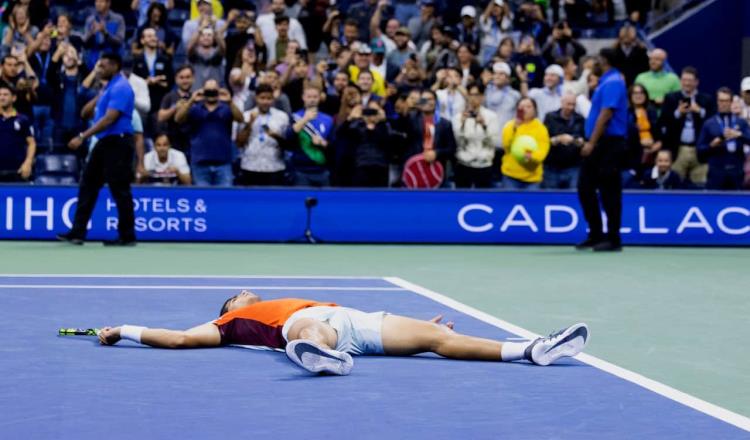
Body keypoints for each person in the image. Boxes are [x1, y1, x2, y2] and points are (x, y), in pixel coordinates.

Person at [96, 290, 591, 376]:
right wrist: (126, 330)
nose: (246, 291)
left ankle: (532, 349)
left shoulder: (280, 299)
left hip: (358, 321)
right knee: (308, 329)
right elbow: (180, 339)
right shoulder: (229, 324)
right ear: (228, 310)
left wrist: (421, 325)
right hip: (308, 329)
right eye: (237, 293)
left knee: (437, 340)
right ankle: (312, 353)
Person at [57, 52, 136, 246]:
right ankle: (77, 232)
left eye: (103, 66)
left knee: (120, 189)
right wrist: (99, 96)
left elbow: (110, 119)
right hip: (105, 143)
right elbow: (85, 113)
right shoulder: (109, 87)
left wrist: (83, 136)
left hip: (119, 142)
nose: (99, 70)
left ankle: (127, 235)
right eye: (99, 66)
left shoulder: (122, 87)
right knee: (88, 185)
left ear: (115, 66)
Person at [576, 48, 629, 252]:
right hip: (601, 143)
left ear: (605, 61)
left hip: (609, 144)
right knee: (585, 187)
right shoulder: (607, 81)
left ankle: (613, 238)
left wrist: (591, 142)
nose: (594, 62)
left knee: (610, 191)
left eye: (597, 59)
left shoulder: (614, 82)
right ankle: (596, 234)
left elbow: (606, 114)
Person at [174, 78, 244, 186]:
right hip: (200, 162)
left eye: (214, 90)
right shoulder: (195, 108)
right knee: (202, 198)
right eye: (208, 90)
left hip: (223, 162)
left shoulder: (226, 108)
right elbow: (178, 119)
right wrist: (191, 100)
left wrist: (230, 101)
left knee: (223, 198)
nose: (211, 93)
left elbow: (240, 119)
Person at [658, 67, 714, 188]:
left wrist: (700, 111)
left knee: (700, 186)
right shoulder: (671, 98)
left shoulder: (706, 99)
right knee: (675, 185)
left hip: (699, 151)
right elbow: (663, 122)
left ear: (696, 82)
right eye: (684, 80)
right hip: (678, 150)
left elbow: (713, 122)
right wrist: (678, 112)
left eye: (690, 80)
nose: (687, 83)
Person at [235, 83, 289, 186]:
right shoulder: (246, 116)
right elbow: (239, 143)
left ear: (273, 99)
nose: (265, 102)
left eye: (269, 98)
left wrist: (276, 136)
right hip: (250, 166)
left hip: (274, 167)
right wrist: (250, 124)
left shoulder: (282, 117)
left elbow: (288, 145)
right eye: (262, 98)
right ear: (256, 98)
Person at [697, 87, 750, 191]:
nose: (724, 104)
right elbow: (700, 150)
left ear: (731, 102)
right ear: (717, 102)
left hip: (736, 172)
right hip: (716, 172)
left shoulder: (741, 122)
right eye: (721, 101)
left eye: (726, 101)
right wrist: (712, 145)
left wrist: (739, 135)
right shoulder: (709, 123)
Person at [452, 82, 500, 188]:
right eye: (471, 95)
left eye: (477, 95)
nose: (473, 98)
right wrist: (462, 124)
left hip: (484, 165)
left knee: (484, 200)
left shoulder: (491, 116)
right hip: (464, 165)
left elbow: (493, 142)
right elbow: (457, 143)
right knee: (462, 200)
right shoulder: (458, 117)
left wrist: (483, 126)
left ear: (483, 97)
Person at [500, 97, 550, 190]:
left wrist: (529, 155)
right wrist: (515, 128)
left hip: (532, 179)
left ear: (535, 110)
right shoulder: (510, 126)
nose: (524, 109)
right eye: (522, 106)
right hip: (511, 176)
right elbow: (506, 146)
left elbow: (542, 152)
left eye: (528, 106)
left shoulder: (541, 129)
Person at [289, 83, 334, 187]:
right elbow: (289, 139)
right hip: (300, 170)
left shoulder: (328, 119)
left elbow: (333, 145)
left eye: (315, 97)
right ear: (303, 97)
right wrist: (305, 119)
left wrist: (323, 143)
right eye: (309, 97)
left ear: (320, 98)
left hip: (322, 170)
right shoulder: (295, 116)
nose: (312, 100)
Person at [543, 93, 585, 189]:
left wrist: (573, 140)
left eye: (573, 104)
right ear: (562, 103)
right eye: (568, 104)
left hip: (573, 167)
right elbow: (543, 140)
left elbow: (584, 141)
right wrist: (558, 139)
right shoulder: (550, 117)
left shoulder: (580, 119)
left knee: (574, 196)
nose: (571, 107)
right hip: (552, 168)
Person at [0, 84, 35, 182]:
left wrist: (28, 163)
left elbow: (31, 143)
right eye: (0, 95)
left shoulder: (23, 119)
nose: (2, 97)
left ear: (14, 98)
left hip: (17, 172)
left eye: (5, 95)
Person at [82, 0, 126, 69]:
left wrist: (105, 33)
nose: (98, 4)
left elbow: (119, 42)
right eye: (96, 1)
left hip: (112, 62)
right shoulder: (90, 20)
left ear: (108, 3)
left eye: (101, 1)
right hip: (92, 62)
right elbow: (85, 44)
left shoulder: (118, 19)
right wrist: (92, 33)